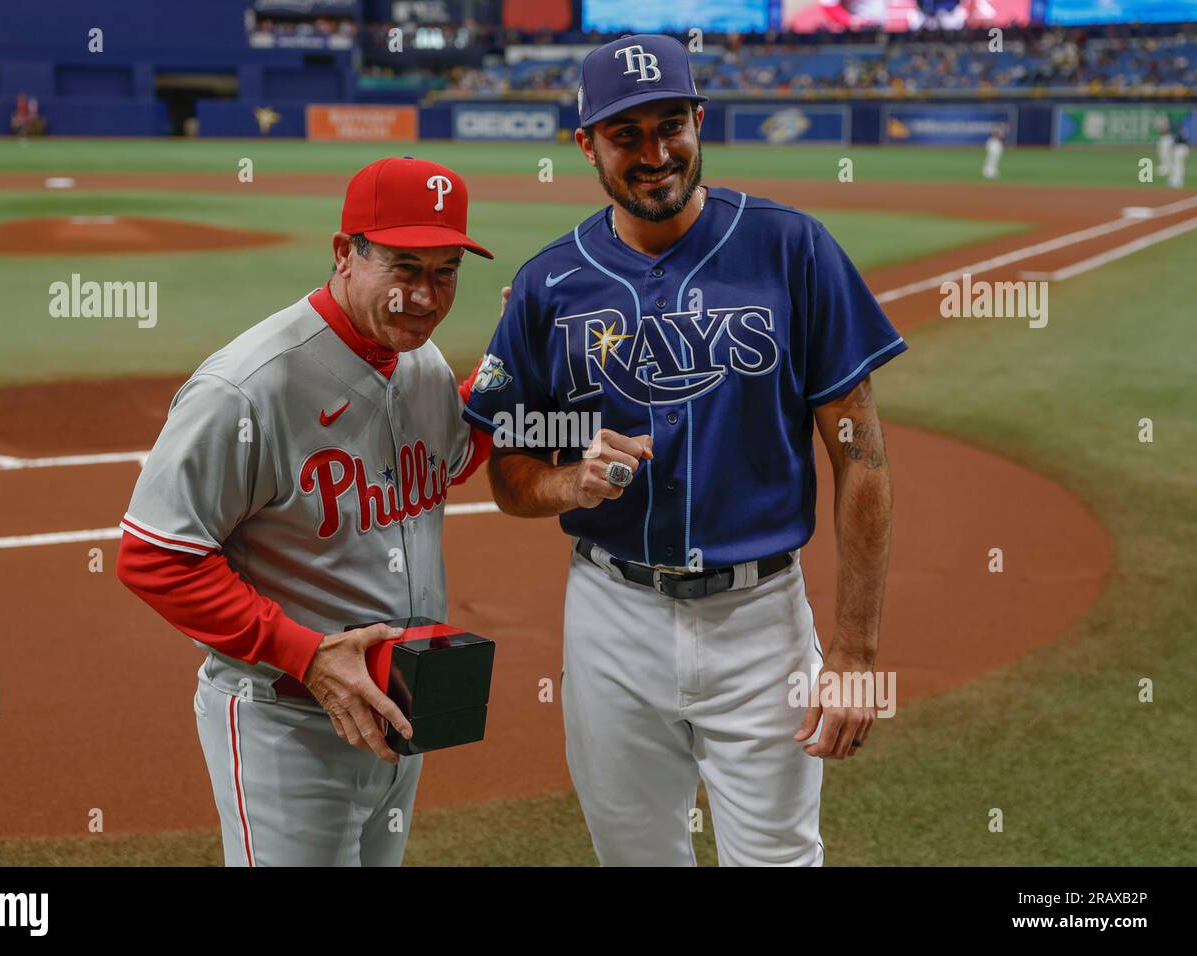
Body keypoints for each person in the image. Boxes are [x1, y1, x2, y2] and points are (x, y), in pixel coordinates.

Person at [463, 34, 906, 866]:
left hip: (761, 620)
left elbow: (862, 459)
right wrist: (567, 481)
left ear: (701, 121)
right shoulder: (549, 284)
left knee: (778, 856)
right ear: (586, 144)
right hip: (610, 618)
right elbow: (511, 469)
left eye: (672, 125)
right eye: (626, 135)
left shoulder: (791, 249)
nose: (655, 153)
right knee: (634, 855)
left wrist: (853, 654)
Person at [117, 157, 494, 866]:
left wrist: (510, 367)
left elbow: (445, 463)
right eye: (404, 266)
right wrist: (308, 655)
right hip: (286, 723)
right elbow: (155, 558)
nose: (425, 296)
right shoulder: (246, 387)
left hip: (396, 708)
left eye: (445, 271)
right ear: (345, 253)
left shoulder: (420, 362)